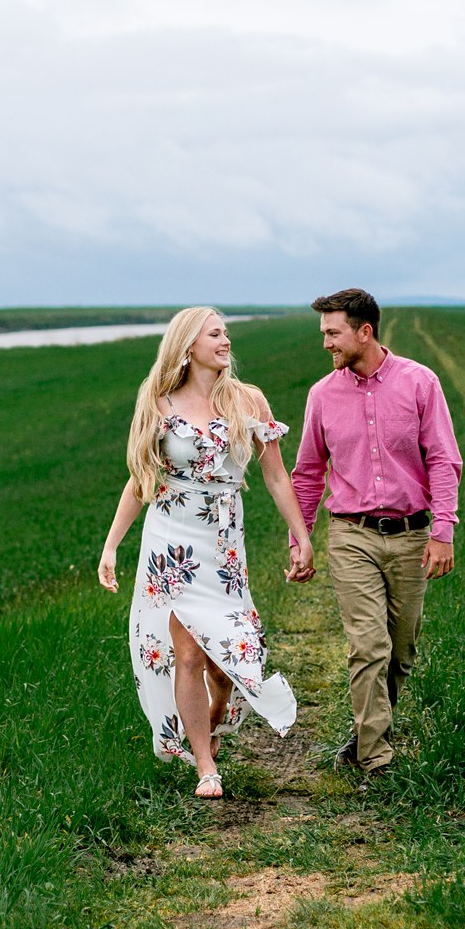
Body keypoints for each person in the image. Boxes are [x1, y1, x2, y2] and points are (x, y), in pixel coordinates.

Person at [98, 307, 311, 799]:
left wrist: (300, 534)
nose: (225, 340)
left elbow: (276, 476)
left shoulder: (248, 401)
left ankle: (215, 715)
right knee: (187, 652)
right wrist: (111, 547)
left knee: (226, 655)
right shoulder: (159, 403)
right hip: (170, 543)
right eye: (214, 333)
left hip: (222, 545)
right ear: (188, 344)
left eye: (226, 332)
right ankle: (204, 765)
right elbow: (140, 482)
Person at [288, 288, 462, 779]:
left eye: (332, 332)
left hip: (411, 535)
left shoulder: (420, 383)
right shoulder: (322, 395)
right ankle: (376, 757)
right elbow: (306, 473)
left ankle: (365, 731)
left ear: (365, 331)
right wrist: (299, 540)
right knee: (369, 645)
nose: (325, 343)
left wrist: (443, 531)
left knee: (400, 652)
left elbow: (444, 461)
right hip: (351, 535)